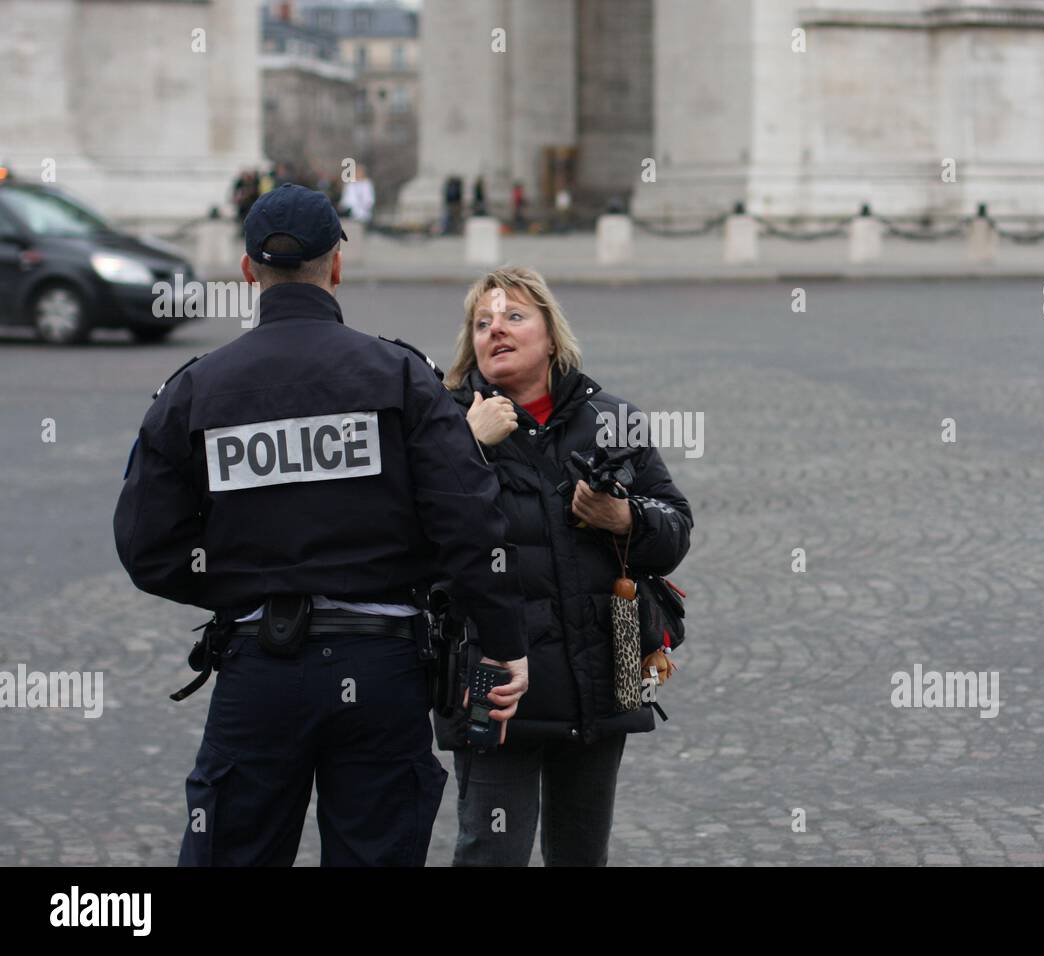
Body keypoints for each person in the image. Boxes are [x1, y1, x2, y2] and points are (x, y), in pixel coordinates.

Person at [113, 184, 529, 866]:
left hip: (258, 671)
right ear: (338, 263)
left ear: (248, 272)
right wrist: (503, 642)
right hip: (383, 665)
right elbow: (469, 520)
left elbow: (145, 546)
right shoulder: (401, 375)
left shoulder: (196, 389)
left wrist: (244, 584)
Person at [435, 266, 692, 866]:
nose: (496, 329)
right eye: (482, 322)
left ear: (551, 334)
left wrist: (625, 519)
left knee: (581, 854)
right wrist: (466, 449)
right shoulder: (443, 424)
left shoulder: (611, 417)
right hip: (492, 680)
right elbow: (414, 543)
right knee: (489, 853)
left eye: (514, 316)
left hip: (596, 680)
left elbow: (676, 529)